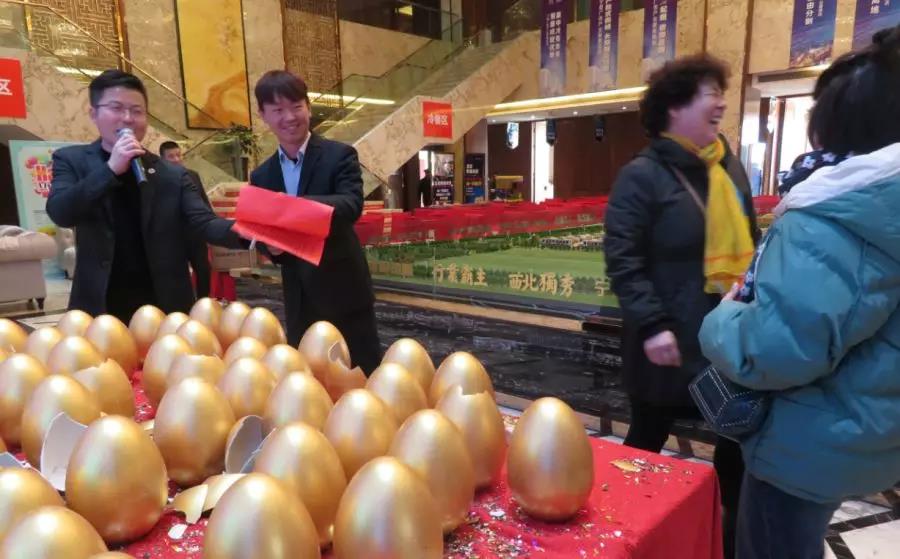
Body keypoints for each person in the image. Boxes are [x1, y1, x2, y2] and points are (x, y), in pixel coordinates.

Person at [699, 26, 900, 559]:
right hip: (864, 426)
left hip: (806, 443)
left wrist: (720, 321)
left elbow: (780, 347)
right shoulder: (881, 208)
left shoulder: (832, 216)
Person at [603, 55, 759, 559]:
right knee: (645, 448)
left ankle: (729, 546)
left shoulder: (727, 167)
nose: (721, 103)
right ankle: (625, 539)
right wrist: (651, 325)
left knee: (736, 451)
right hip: (666, 345)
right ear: (674, 107)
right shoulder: (642, 176)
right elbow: (623, 258)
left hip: (726, 341)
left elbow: (751, 242)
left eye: (721, 92)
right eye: (709, 93)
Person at [47, 70, 245, 322]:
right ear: (93, 113)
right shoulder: (71, 160)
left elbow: (204, 222)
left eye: (137, 111)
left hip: (165, 307)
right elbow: (61, 212)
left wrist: (254, 234)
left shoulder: (172, 175)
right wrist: (111, 169)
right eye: (116, 108)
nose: (128, 118)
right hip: (100, 306)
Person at [250, 70, 381, 374]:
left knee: (362, 373)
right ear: (263, 115)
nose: (289, 117)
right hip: (300, 298)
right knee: (309, 379)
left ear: (308, 107)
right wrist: (271, 247)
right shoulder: (262, 176)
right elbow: (266, 232)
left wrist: (292, 209)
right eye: (277, 110)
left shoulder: (340, 155)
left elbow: (351, 205)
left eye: (296, 106)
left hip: (345, 291)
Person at [159, 140, 212, 299]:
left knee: (203, 270)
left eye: (178, 155)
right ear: (162, 159)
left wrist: (210, 228)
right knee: (178, 275)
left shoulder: (192, 175)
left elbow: (203, 202)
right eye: (171, 156)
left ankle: (204, 302)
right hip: (173, 236)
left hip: (195, 233)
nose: (176, 159)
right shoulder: (157, 178)